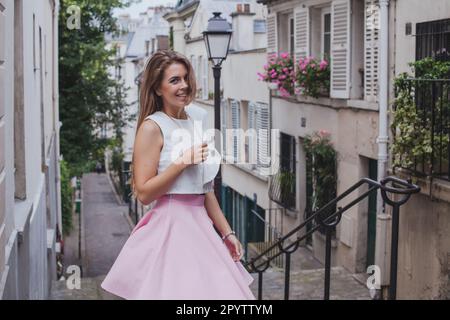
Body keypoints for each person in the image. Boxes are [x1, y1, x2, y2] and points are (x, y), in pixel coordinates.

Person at [101, 50, 255, 300]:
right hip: (172, 228)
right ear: (158, 88)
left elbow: (205, 190)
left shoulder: (194, 121)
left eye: (185, 78)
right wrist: (181, 163)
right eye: (174, 80)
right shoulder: (152, 127)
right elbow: (144, 193)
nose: (184, 85)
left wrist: (227, 233)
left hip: (202, 228)